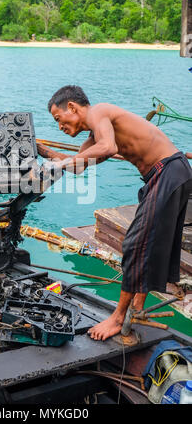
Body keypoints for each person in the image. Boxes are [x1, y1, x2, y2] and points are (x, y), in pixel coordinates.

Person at [37, 85, 192, 341]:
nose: (60, 126)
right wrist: (45, 153)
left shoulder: (99, 112)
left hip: (168, 171)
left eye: (59, 119)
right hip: (166, 175)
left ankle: (118, 318)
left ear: (73, 108)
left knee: (135, 244)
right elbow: (78, 165)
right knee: (150, 243)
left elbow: (108, 147)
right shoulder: (95, 133)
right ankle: (138, 309)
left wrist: (65, 161)